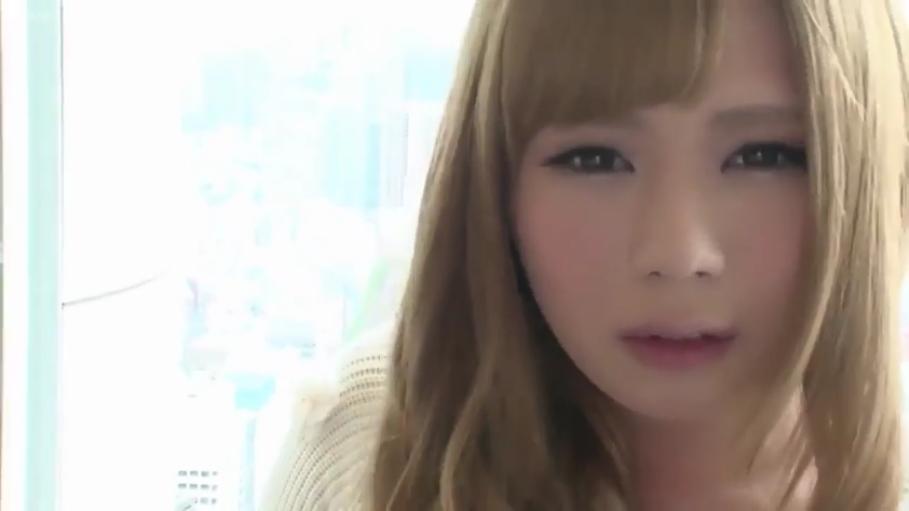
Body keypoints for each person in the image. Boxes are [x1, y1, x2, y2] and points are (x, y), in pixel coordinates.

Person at [260, 0, 909, 509]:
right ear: (494, 184)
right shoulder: (373, 447)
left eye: (763, 156)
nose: (677, 254)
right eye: (594, 158)